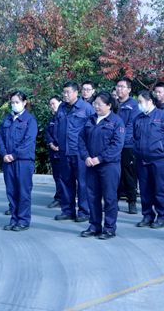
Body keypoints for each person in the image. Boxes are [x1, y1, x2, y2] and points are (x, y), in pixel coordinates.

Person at [78, 92, 125, 239]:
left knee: (109, 197)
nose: (96, 107)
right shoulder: (90, 120)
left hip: (109, 166)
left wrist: (100, 158)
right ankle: (94, 226)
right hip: (91, 164)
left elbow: (117, 145)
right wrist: (86, 157)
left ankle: (109, 228)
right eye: (95, 104)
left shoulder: (116, 122)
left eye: (99, 104)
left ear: (109, 105)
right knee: (92, 196)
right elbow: (81, 140)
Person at [133, 90, 164, 229]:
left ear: (150, 101)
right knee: (145, 189)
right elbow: (135, 136)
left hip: (159, 159)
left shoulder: (163, 115)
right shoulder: (138, 118)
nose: (139, 104)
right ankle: (147, 215)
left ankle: (162, 217)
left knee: (160, 189)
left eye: (141, 102)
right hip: (142, 158)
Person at [53, 82, 96, 222]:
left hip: (79, 152)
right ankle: (67, 211)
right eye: (64, 92)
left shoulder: (86, 108)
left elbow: (93, 129)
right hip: (64, 151)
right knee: (66, 181)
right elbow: (57, 126)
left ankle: (84, 212)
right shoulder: (61, 107)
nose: (65, 95)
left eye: (68, 92)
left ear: (76, 93)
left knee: (83, 183)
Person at [0, 91, 38, 231]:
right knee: (11, 191)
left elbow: (28, 141)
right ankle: (14, 219)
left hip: (23, 161)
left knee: (23, 191)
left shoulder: (30, 120)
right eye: (12, 102)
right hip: (8, 161)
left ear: (24, 103)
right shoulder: (7, 119)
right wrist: (4, 153)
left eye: (17, 102)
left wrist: (14, 155)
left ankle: (23, 220)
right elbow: (0, 137)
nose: (14, 105)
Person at [115, 77, 141, 214]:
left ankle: (132, 202)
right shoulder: (113, 103)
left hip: (127, 145)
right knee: (114, 175)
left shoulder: (133, 105)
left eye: (122, 86)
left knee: (129, 174)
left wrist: (121, 141)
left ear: (129, 90)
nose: (119, 89)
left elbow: (131, 126)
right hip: (114, 145)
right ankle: (113, 202)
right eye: (117, 86)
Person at [45, 95, 64, 209]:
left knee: (64, 176)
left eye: (54, 103)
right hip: (53, 151)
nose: (52, 106)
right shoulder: (52, 119)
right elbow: (48, 133)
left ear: (60, 103)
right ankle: (59, 197)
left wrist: (60, 145)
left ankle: (64, 198)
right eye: (50, 104)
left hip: (63, 151)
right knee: (56, 176)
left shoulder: (64, 116)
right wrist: (51, 144)